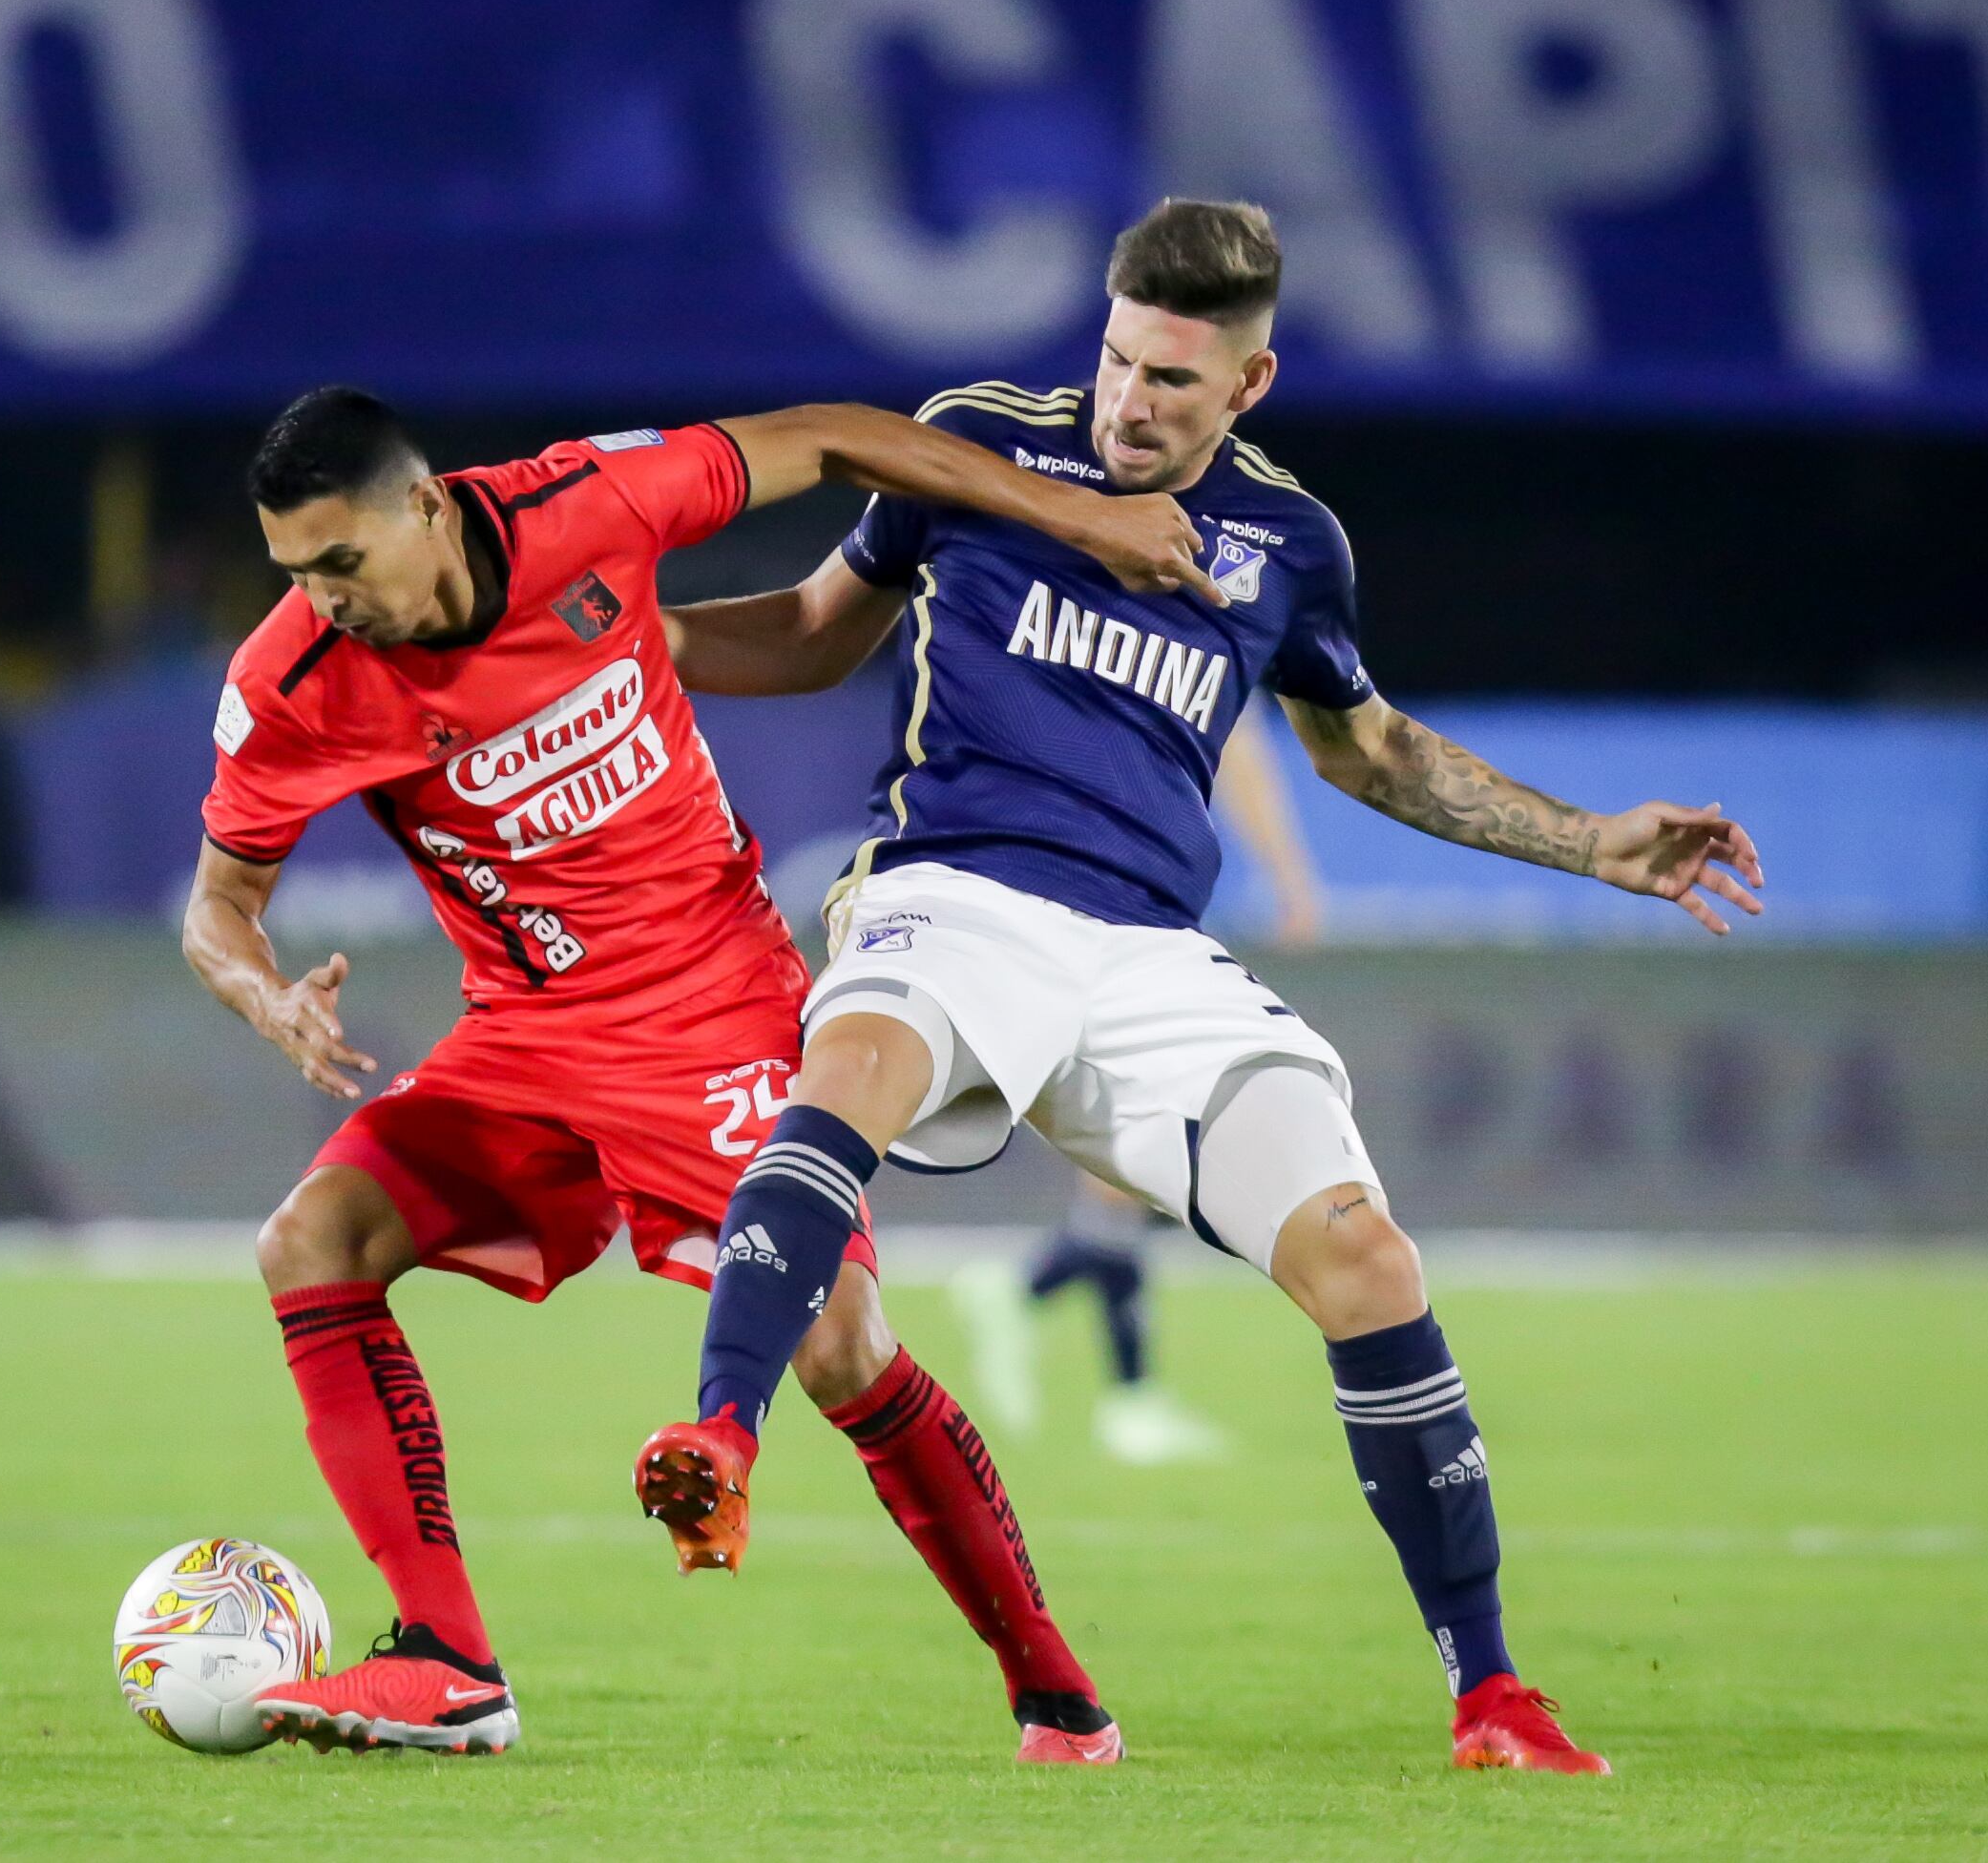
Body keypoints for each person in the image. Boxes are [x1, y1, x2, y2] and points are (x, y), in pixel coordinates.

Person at [638, 199, 1766, 1774]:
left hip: (1150, 957)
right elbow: (817, 633)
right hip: (950, 889)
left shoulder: (1290, 546)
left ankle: (1491, 1692)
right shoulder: (981, 449)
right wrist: (622, 640)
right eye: (1114, 357)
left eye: (1172, 377)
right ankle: (719, 1431)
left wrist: (1589, 842)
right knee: (859, 1063)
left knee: (1367, 1260)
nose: (1127, 400)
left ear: (1247, 383)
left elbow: (1363, 746)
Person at [185, 386, 1204, 1759]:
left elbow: (841, 434)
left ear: (423, 504)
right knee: (310, 1239)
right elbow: (217, 905)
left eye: (340, 564)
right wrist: (266, 996)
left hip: (715, 1002)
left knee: (843, 1347)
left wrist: (1085, 516)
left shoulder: (588, 503)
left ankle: (1056, 1693)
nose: (322, 598)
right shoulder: (293, 680)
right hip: (527, 1032)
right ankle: (447, 1659)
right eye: (294, 573)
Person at [950, 714, 1325, 1463]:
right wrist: (1290, 878)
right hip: (1105, 916)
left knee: (1129, 1170)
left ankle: (1038, 1307)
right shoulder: (1185, 618)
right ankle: (1115, 1387)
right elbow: (1241, 749)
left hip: (1089, 908)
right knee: (1141, 1159)